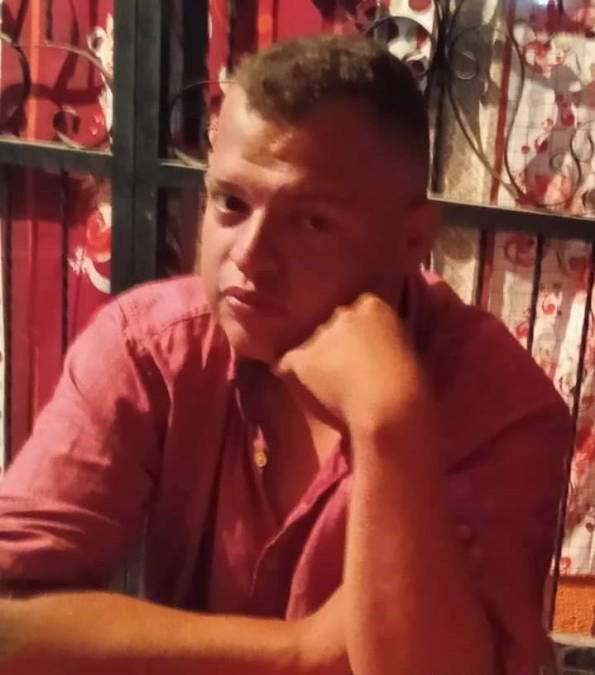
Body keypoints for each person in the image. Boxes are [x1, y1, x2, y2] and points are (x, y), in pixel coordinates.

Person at [0, 34, 570, 675]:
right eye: (230, 203)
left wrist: (391, 425)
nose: (248, 256)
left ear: (411, 240)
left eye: (311, 221)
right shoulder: (150, 348)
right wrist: (296, 652)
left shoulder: (498, 404)